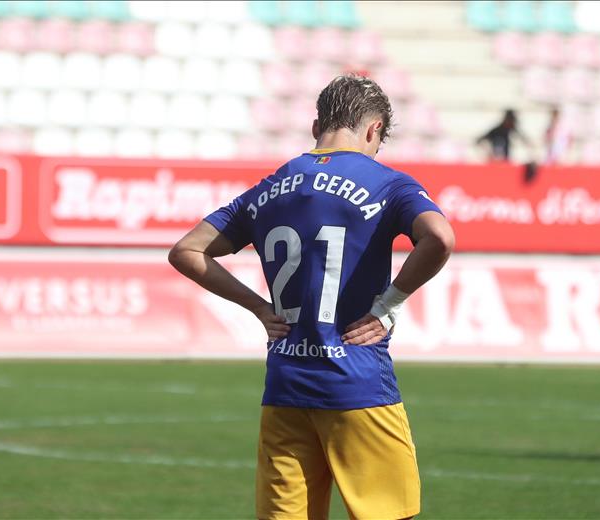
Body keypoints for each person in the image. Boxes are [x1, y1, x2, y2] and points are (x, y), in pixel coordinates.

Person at [169, 74, 454, 520]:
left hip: (285, 385)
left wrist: (259, 308)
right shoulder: (387, 183)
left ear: (316, 123)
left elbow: (186, 250)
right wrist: (389, 305)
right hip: (356, 382)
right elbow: (439, 237)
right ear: (374, 129)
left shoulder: (269, 187)